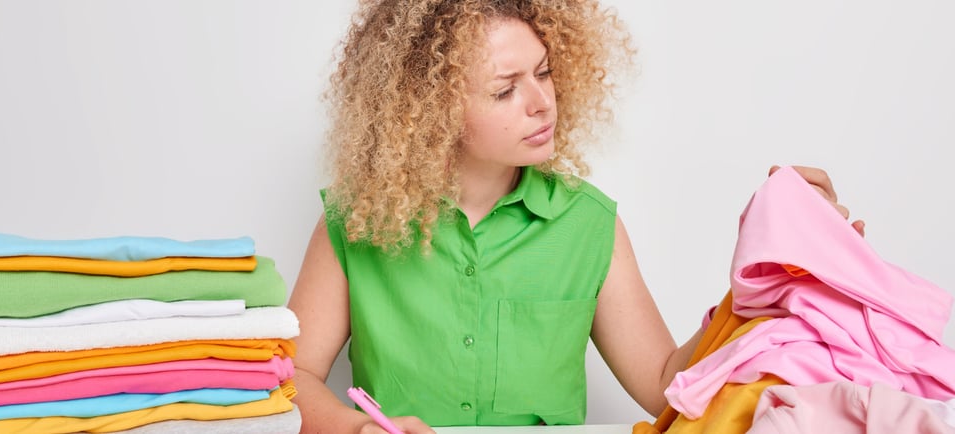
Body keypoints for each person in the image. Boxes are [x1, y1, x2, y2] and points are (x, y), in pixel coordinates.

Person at [287, 1, 865, 432]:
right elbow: (289, 378)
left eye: (543, 72)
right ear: (428, 110)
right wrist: (356, 428)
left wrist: (764, 284)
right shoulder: (355, 221)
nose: (542, 102)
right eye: (505, 89)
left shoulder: (589, 224)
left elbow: (667, 386)